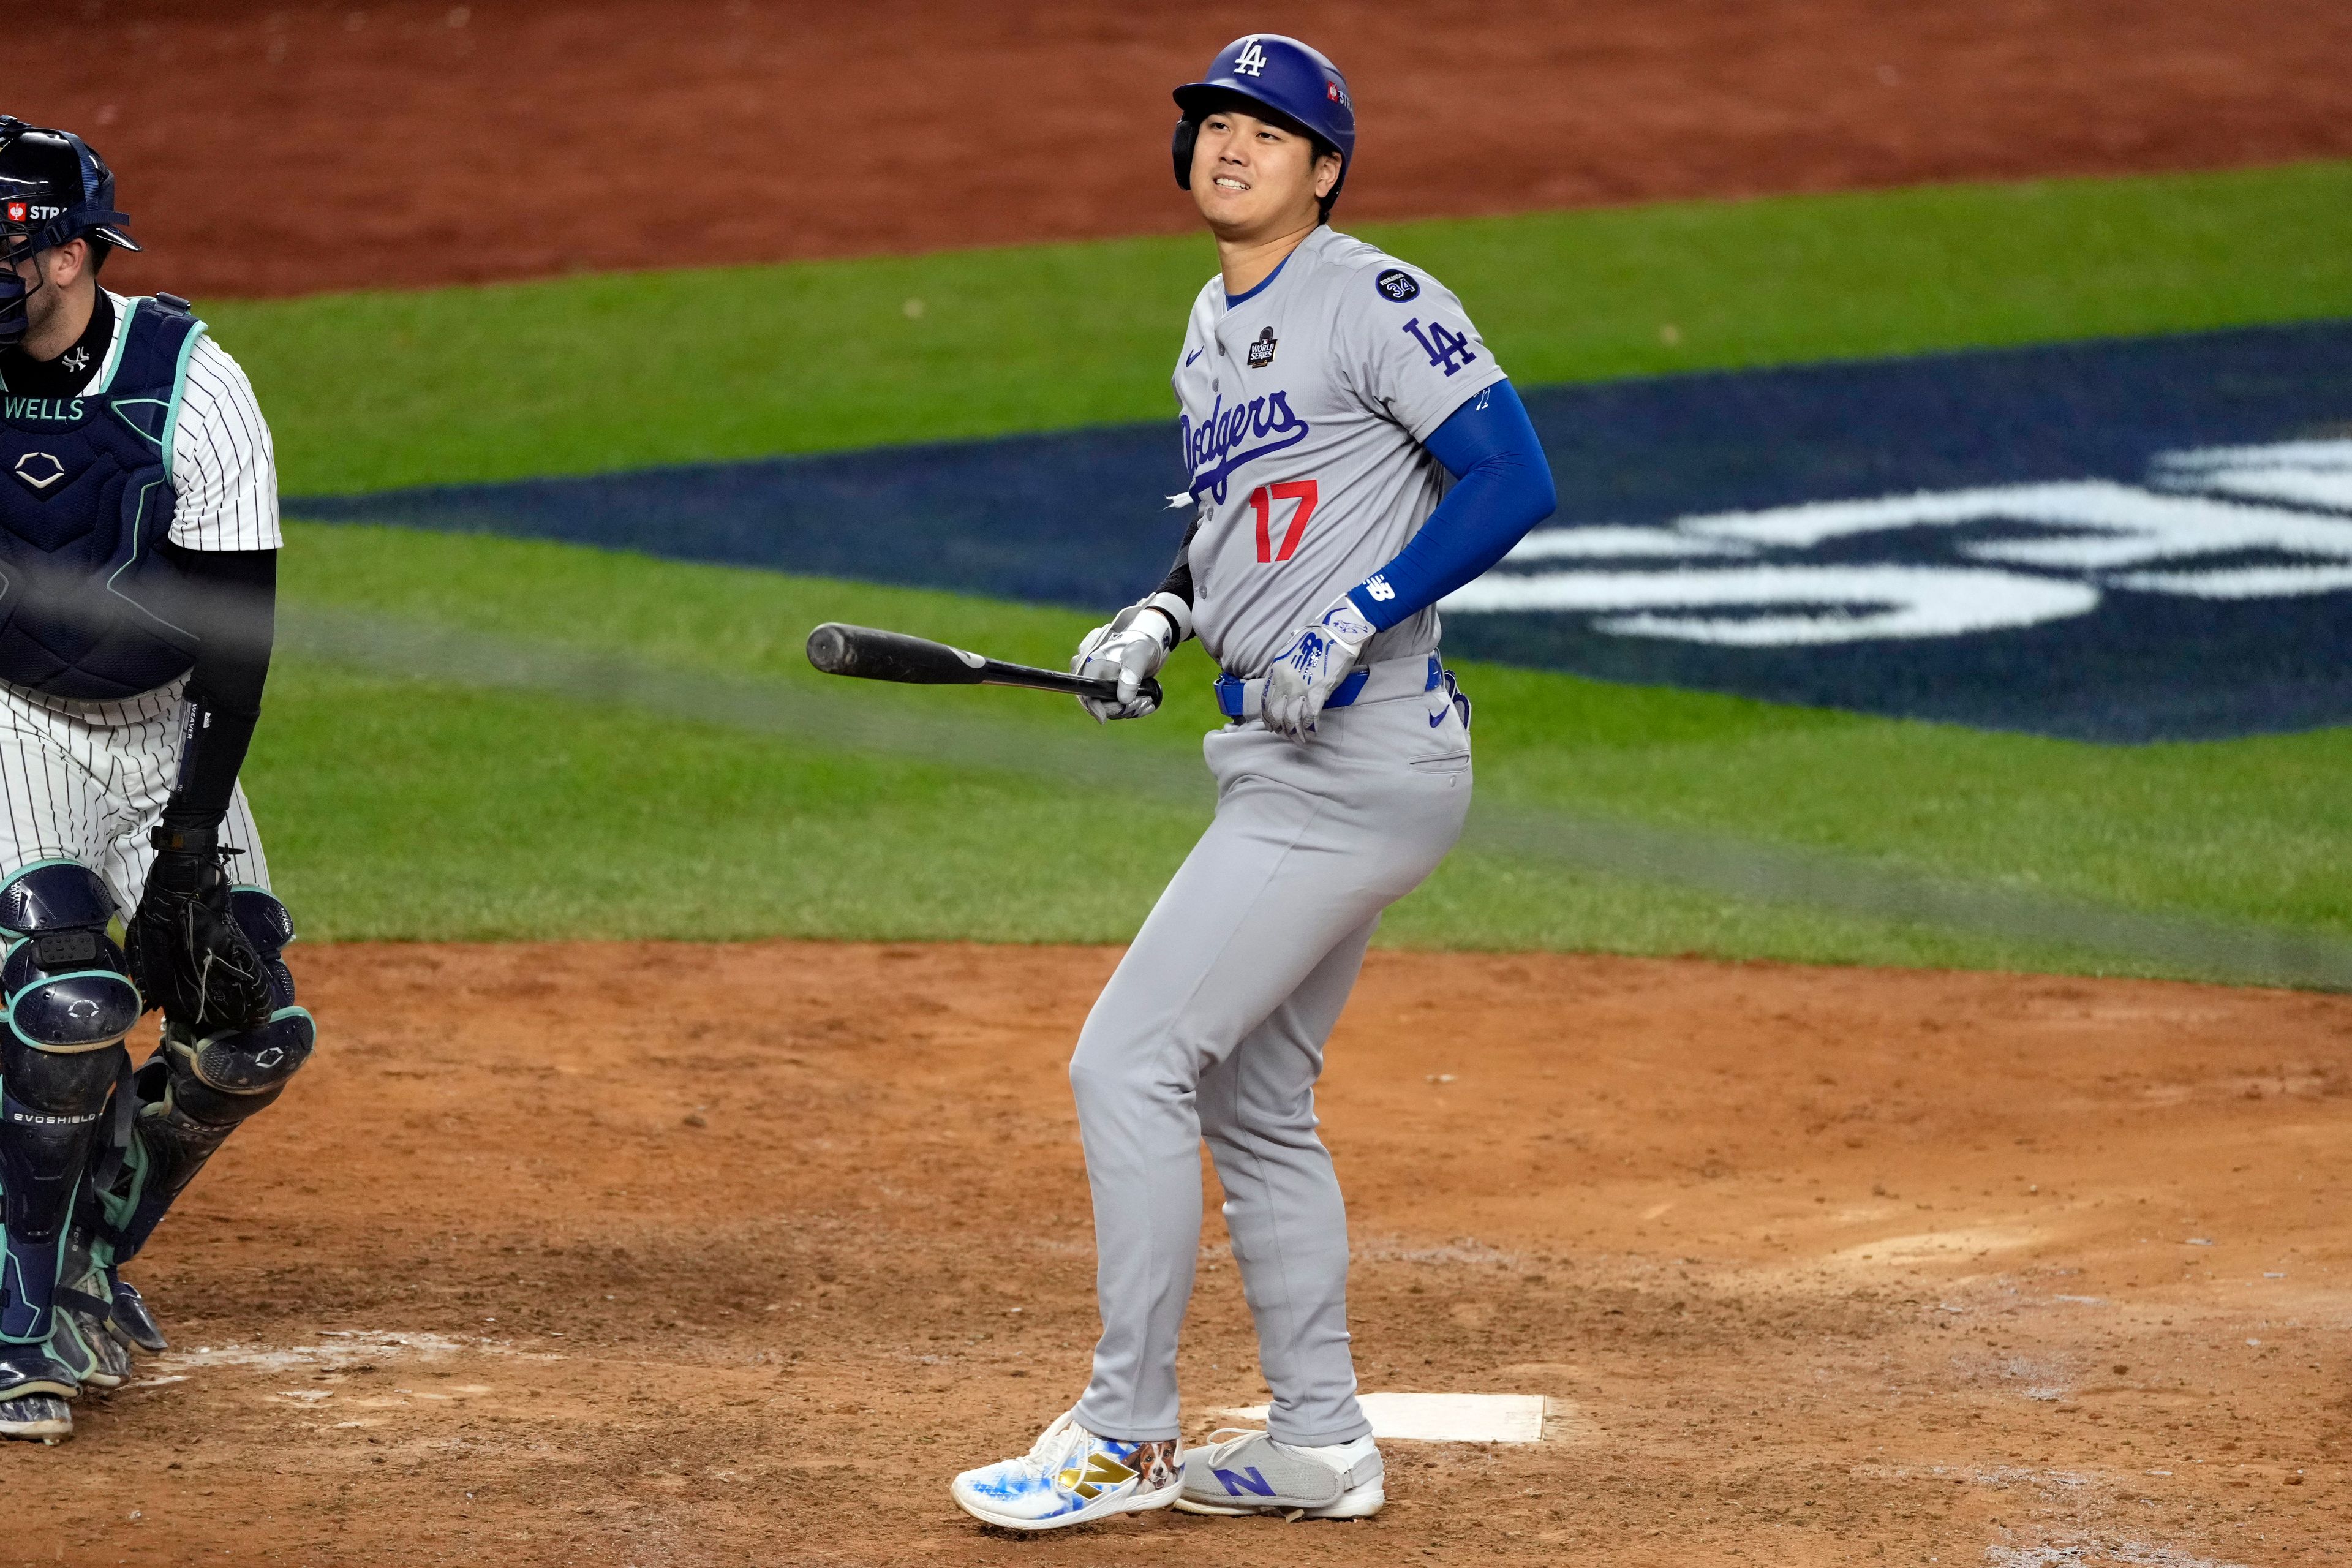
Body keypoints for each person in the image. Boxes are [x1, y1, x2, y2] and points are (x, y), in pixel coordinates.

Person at [948, 36, 1557, 1530]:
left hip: (1356, 759)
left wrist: (1356, 612)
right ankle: (1319, 1442)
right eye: (1215, 123)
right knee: (1256, 1095)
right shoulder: (1210, 328)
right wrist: (1162, 614)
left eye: (1268, 131)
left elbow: (1514, 476)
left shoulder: (1376, 299)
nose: (1230, 144)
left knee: (1127, 1061)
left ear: (1325, 167)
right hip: (1282, 759)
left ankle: (1124, 1433)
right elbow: (1242, 528)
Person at [0, 116, 314, 1442]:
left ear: (70, 251)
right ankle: (20, 1309)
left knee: (250, 1032)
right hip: (13, 715)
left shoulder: (191, 382)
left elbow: (239, 648)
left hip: (170, 723)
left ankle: (84, 1256)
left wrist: (191, 847)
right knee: (69, 1000)